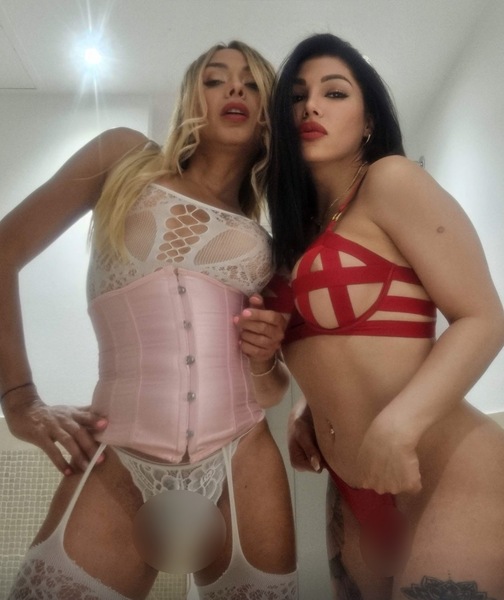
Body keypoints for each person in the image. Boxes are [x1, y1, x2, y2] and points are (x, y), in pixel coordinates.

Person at [0, 40, 298, 600]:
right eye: (215, 78)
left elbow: (273, 387)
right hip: (116, 456)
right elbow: (3, 252)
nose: (235, 88)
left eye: (253, 82)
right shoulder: (123, 158)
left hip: (243, 457)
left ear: (268, 115)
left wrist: (264, 361)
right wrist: (19, 400)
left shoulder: (269, 244)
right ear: (190, 98)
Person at [264, 33, 504, 600]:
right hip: (351, 490)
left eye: (334, 93)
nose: (311, 107)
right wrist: (310, 403)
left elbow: (483, 318)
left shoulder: (390, 180)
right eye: (296, 97)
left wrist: (399, 425)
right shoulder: (299, 234)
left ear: (369, 120)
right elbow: (341, 346)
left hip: (445, 474)